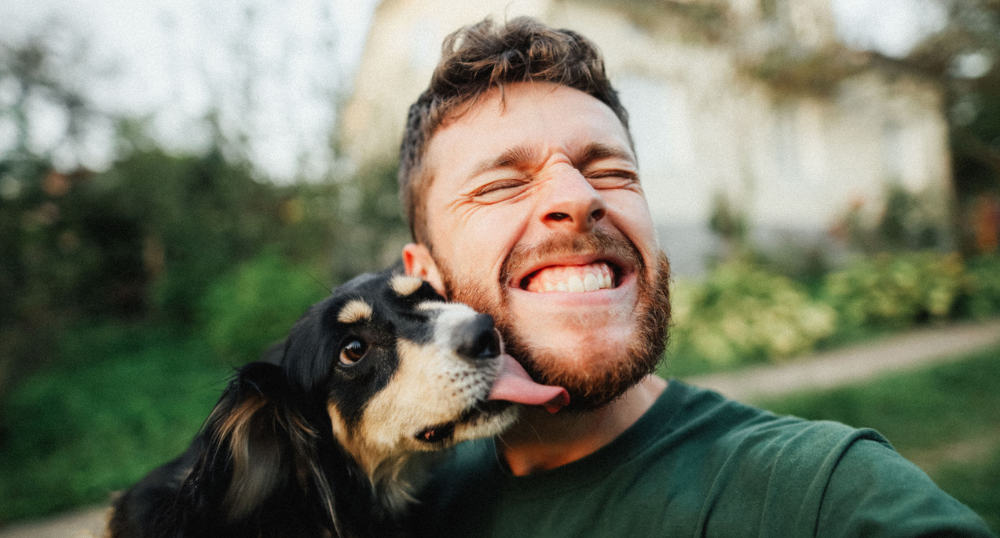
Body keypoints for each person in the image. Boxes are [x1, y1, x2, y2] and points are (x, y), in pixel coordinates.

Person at [397, 16, 996, 538]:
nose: (578, 198)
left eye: (611, 172)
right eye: (503, 184)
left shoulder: (821, 494)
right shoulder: (404, 502)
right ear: (423, 279)